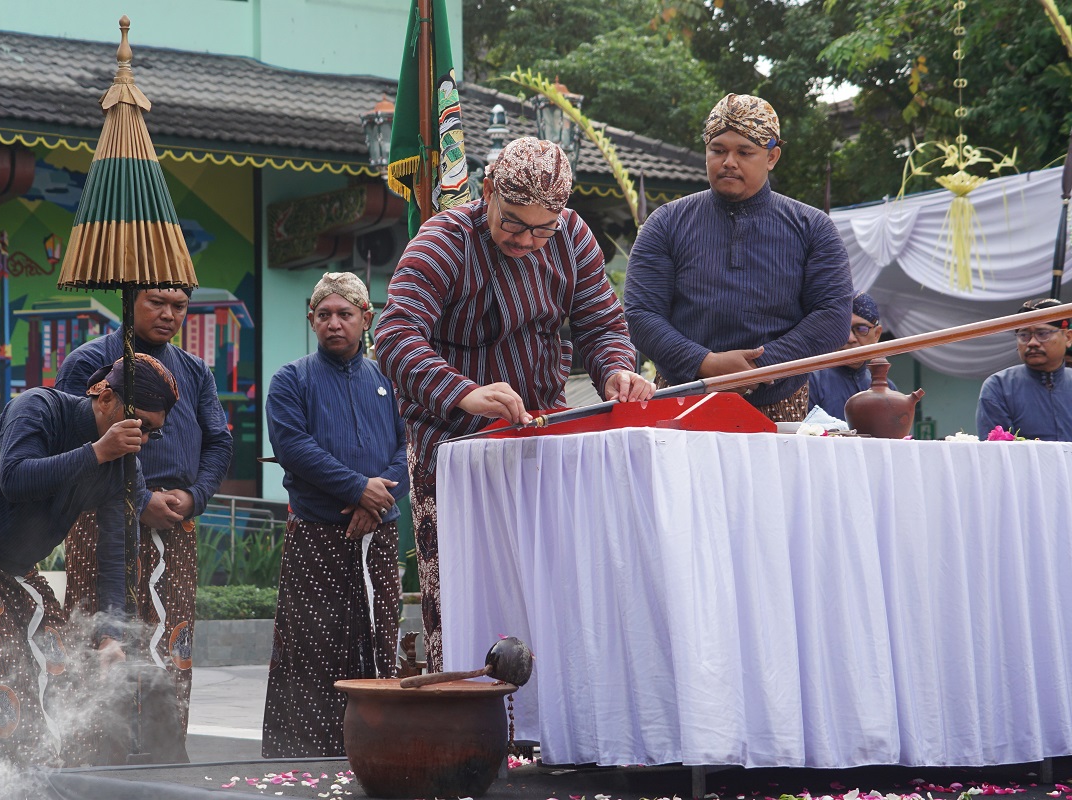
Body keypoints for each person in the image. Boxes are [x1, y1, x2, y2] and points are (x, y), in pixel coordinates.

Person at [375, 136, 654, 672]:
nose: (527, 240)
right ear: (487, 194)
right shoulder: (445, 239)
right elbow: (394, 334)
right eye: (513, 223)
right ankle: (465, 716)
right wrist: (463, 391)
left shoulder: (572, 237)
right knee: (463, 590)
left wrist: (618, 370)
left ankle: (547, 723)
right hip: (453, 446)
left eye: (541, 227)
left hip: (541, 437)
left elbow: (602, 326)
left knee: (548, 585)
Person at [0, 355, 177, 778]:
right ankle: (4, 782)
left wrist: (110, 637)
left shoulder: (126, 467)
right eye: (138, 423)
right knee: (3, 662)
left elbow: (115, 553)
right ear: (105, 397)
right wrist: (96, 452)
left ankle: (50, 779)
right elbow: (15, 479)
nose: (141, 437)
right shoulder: (38, 407)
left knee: (64, 664)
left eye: (152, 431)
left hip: (15, 564)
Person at [55, 288, 232, 751]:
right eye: (157, 302)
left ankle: (164, 761)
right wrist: (140, 496)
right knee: (101, 636)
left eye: (179, 306)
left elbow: (219, 442)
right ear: (130, 300)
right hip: (101, 523)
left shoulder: (195, 371)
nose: (169, 314)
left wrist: (194, 497)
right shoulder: (88, 361)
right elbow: (70, 440)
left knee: (173, 647)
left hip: (176, 528)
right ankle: (94, 764)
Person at [624, 93, 853, 422]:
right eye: (717, 150)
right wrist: (705, 363)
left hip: (779, 403)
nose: (728, 162)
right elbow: (642, 314)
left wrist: (759, 367)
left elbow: (832, 318)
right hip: (683, 396)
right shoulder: (665, 223)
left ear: (772, 157)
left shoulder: (813, 228)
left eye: (744, 152)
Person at [262, 272, 408, 758]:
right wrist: (358, 489)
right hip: (317, 538)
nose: (334, 323)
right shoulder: (291, 379)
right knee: (311, 649)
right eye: (324, 314)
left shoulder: (389, 381)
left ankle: (377, 750)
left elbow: (408, 451)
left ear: (366, 319)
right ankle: (303, 755)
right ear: (311, 320)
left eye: (345, 314)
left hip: (378, 541)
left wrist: (378, 500)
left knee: (378, 638)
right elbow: (294, 448)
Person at [976, 298, 1072, 441]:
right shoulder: (999, 387)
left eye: (1043, 333)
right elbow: (998, 454)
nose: (1032, 343)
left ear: (1068, 337)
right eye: (1024, 335)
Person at [808, 291, 896, 420]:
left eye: (861, 329)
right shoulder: (811, 381)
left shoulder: (888, 388)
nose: (850, 338)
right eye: (841, 329)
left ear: (877, 334)